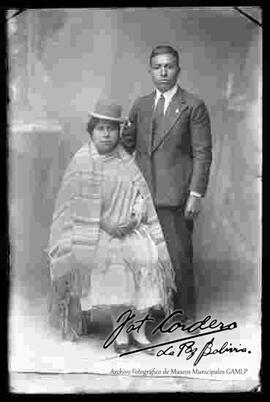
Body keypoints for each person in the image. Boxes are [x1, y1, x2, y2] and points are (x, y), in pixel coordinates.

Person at [47, 98, 176, 354]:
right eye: (100, 128)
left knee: (147, 260)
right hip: (98, 233)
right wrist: (105, 224)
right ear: (92, 131)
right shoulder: (82, 162)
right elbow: (72, 206)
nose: (106, 134)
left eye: (112, 129)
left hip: (131, 229)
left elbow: (142, 198)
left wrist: (134, 218)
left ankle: (139, 332)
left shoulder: (126, 161)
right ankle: (121, 335)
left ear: (119, 132)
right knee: (118, 269)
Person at [121, 45, 212, 323]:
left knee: (179, 258)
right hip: (143, 195)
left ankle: (186, 317)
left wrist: (195, 194)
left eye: (169, 66)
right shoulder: (141, 105)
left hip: (176, 196)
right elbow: (127, 145)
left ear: (178, 70)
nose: (163, 72)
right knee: (149, 259)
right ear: (150, 71)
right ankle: (155, 313)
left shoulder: (193, 106)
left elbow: (202, 153)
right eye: (158, 66)